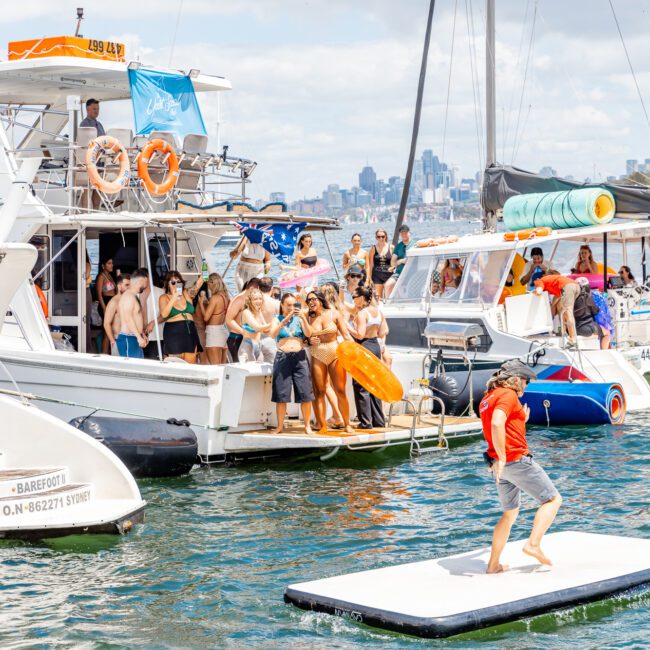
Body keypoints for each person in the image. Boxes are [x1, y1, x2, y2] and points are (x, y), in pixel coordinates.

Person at [480, 359, 562, 573]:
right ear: (515, 379)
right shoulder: (507, 394)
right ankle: (533, 544)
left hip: (499, 465)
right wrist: (504, 456)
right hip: (514, 459)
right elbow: (497, 422)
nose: (526, 386)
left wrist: (520, 420)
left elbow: (498, 426)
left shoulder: (488, 398)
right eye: (526, 381)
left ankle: (493, 564)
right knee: (553, 499)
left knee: (510, 513)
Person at [306, 290, 354, 433]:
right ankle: (322, 425)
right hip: (317, 354)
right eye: (308, 301)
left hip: (334, 353)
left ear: (321, 299)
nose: (311, 303)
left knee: (340, 390)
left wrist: (356, 351)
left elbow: (346, 335)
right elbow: (301, 337)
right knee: (319, 392)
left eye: (313, 299)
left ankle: (348, 424)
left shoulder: (334, 314)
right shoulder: (308, 317)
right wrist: (308, 340)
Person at [268, 293, 314, 434]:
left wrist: (303, 319)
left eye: (294, 305)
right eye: (288, 305)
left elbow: (309, 333)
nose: (291, 308)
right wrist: (285, 320)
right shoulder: (277, 318)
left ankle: (307, 426)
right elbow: (272, 334)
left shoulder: (300, 318)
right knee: (281, 394)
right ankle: (280, 426)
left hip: (299, 357)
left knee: (305, 393)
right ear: (282, 304)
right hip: (283, 357)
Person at [348, 286, 387, 429]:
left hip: (364, 346)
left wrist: (347, 327)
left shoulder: (362, 313)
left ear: (362, 298)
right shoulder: (378, 312)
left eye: (354, 296)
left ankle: (366, 422)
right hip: (375, 345)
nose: (353, 299)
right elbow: (383, 331)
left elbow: (360, 334)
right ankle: (379, 420)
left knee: (361, 385)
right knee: (374, 385)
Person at [159, 270, 204, 364]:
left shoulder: (186, 293)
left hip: (190, 332)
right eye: (173, 282)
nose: (176, 284)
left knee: (191, 365)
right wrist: (174, 297)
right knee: (175, 365)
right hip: (174, 334)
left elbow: (199, 284)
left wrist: (204, 270)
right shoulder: (164, 297)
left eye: (178, 282)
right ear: (168, 283)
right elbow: (164, 314)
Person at [534, 271, 581, 344]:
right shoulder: (552, 283)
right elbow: (557, 301)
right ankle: (564, 332)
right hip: (576, 286)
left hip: (568, 286)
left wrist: (534, 291)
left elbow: (539, 291)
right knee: (561, 309)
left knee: (568, 312)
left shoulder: (539, 281)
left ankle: (573, 338)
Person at [225, 277, 262, 362]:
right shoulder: (239, 299)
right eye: (256, 291)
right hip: (237, 338)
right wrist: (243, 332)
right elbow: (228, 319)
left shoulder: (250, 300)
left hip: (248, 339)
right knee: (240, 368)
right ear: (251, 288)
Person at [79, 99, 106, 211]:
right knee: (86, 188)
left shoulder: (99, 125)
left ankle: (96, 209)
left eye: (98, 109)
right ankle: (85, 211)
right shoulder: (84, 124)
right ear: (88, 109)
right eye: (94, 109)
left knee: (98, 188)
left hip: (100, 162)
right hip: (89, 162)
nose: (97, 111)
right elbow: (85, 143)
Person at [116, 269, 149, 358]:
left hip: (134, 338)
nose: (146, 286)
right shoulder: (128, 297)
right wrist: (139, 337)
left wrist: (141, 334)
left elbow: (135, 317)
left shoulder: (132, 296)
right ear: (141, 281)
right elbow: (128, 318)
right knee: (131, 369)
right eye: (146, 283)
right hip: (129, 338)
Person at [200, 273, 230, 364]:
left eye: (209, 284)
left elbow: (206, 318)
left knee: (215, 366)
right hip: (223, 330)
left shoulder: (215, 298)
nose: (208, 286)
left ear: (213, 284)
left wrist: (201, 303)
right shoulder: (226, 297)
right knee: (222, 365)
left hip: (213, 332)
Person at [573, 277, 611, 349]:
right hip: (587, 328)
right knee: (607, 333)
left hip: (573, 329)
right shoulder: (588, 298)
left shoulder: (572, 299)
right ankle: (604, 352)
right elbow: (595, 311)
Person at [239, 289, 270, 362]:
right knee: (250, 371)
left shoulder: (258, 311)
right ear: (250, 301)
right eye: (255, 299)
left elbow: (266, 330)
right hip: (247, 346)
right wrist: (273, 323)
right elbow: (257, 328)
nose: (259, 301)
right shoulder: (246, 312)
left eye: (260, 299)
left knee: (260, 372)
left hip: (258, 345)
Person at [103, 273, 130, 355]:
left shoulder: (131, 300)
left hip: (131, 339)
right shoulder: (114, 302)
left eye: (130, 285)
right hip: (118, 340)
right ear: (119, 286)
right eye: (126, 285)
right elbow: (106, 323)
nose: (129, 288)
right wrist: (113, 341)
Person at [384, 224, 413, 298]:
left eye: (405, 232)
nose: (404, 234)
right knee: (387, 285)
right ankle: (389, 304)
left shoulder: (414, 244)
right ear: (400, 234)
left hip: (412, 272)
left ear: (409, 232)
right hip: (399, 273)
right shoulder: (398, 246)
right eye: (402, 233)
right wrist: (401, 261)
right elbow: (392, 263)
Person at [95, 258, 117, 354]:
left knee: (111, 330)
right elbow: (99, 294)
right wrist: (104, 308)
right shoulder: (101, 277)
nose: (112, 265)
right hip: (105, 303)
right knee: (107, 332)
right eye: (109, 263)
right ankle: (104, 354)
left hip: (111, 302)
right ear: (103, 266)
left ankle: (109, 352)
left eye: (112, 263)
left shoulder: (110, 276)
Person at [259, 276, 280, 362]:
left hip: (255, 337)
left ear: (258, 288)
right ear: (272, 288)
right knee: (272, 369)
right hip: (271, 338)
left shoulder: (253, 302)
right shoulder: (276, 303)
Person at [368, 229, 393, 300]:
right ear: (376, 237)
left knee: (389, 297)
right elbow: (371, 264)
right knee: (378, 298)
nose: (381, 238)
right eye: (378, 237)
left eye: (383, 236)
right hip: (377, 275)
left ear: (385, 237)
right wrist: (369, 278)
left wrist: (394, 268)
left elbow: (395, 262)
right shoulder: (373, 248)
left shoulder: (391, 247)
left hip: (389, 275)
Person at [143, 278, 165, 360]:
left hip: (156, 336)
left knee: (155, 363)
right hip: (139, 337)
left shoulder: (160, 292)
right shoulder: (135, 292)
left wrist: (153, 323)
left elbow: (165, 315)